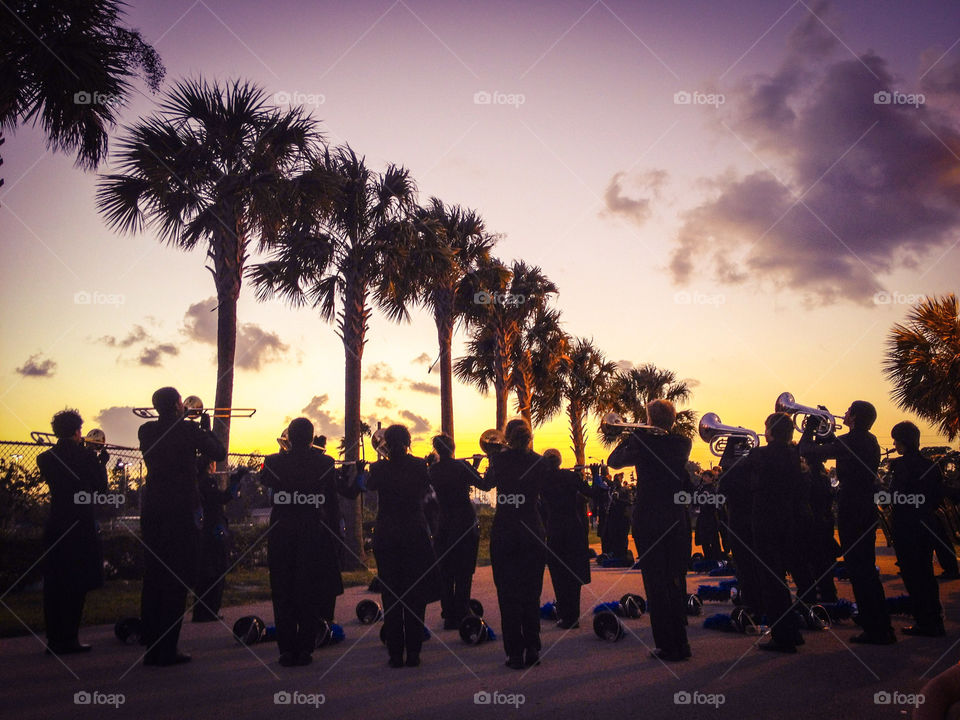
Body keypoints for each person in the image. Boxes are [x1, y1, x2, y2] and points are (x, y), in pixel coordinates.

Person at [138, 387, 226, 666]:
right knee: (177, 579)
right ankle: (167, 649)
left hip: (153, 510)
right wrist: (205, 427)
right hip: (181, 512)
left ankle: (152, 646)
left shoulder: (146, 431)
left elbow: (186, 461)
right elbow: (219, 451)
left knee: (154, 578)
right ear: (177, 406)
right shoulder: (188, 431)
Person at [799, 400, 895, 645]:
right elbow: (831, 446)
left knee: (858, 567)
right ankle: (877, 621)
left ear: (854, 417)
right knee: (864, 566)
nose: (844, 413)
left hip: (852, 505)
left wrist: (811, 426)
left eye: (848, 411)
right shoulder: (867, 439)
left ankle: (876, 629)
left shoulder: (852, 441)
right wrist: (823, 424)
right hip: (863, 504)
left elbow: (808, 450)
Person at [608, 400, 692, 662]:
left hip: (650, 521)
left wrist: (633, 435)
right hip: (676, 520)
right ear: (673, 420)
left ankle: (668, 646)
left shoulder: (643, 443)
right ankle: (682, 643)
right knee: (675, 581)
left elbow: (613, 462)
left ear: (649, 419)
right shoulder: (682, 444)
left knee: (656, 584)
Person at [260, 417, 345, 666]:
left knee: (282, 589)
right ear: (311, 437)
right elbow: (331, 501)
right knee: (309, 589)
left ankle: (286, 649)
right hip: (313, 530)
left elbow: (266, 483)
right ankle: (306, 647)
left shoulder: (273, 461)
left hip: (282, 529)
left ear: (289, 436)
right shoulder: (325, 462)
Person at [475, 418, 549, 669]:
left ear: (507, 436)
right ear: (529, 437)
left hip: (506, 529)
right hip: (532, 529)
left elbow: (486, 485)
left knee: (508, 593)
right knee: (531, 592)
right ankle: (533, 648)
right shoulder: (540, 462)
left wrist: (491, 459)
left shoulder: (499, 460)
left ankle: (514, 653)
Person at [365, 424, 440, 668]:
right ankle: (414, 653)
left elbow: (368, 485)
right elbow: (429, 490)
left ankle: (395, 654)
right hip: (414, 533)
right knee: (415, 594)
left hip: (387, 534)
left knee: (391, 594)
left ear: (386, 441)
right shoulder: (420, 466)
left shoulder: (378, 468)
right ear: (408, 441)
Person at [37, 409, 109, 655]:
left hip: (56, 522)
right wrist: (101, 463)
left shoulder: (45, 458)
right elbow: (101, 489)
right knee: (77, 583)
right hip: (80, 523)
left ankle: (54, 639)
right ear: (78, 430)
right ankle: (69, 638)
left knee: (55, 583)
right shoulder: (86, 456)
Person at [745, 413, 805, 653]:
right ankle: (791, 630)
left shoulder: (762, 454)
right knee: (780, 576)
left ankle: (783, 636)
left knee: (771, 580)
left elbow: (739, 473)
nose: (764, 430)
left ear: (771, 430)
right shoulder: (793, 453)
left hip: (766, 521)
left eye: (766, 426)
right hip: (786, 520)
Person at [887, 421, 945, 637]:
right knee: (927, 573)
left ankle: (924, 621)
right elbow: (938, 497)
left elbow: (894, 497)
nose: (894, 443)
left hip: (906, 525)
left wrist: (880, 489)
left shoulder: (901, 466)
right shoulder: (931, 465)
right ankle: (935, 618)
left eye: (896, 439)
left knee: (913, 575)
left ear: (902, 441)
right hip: (927, 523)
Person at [427, 434, 482, 630]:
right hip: (465, 523)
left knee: (447, 571)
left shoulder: (432, 470)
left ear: (437, 450)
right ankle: (462, 609)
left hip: (444, 523)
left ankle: (449, 614)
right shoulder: (462, 466)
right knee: (464, 571)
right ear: (453, 446)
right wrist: (479, 464)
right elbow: (483, 484)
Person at [541, 449, 591, 629]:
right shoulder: (570, 476)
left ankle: (564, 614)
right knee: (573, 572)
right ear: (560, 461)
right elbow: (591, 493)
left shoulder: (542, 480)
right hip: (574, 528)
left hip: (555, 529)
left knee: (558, 573)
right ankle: (574, 615)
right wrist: (591, 475)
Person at [192, 460, 242, 622]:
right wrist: (236, 480)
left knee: (205, 571)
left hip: (202, 530)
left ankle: (201, 610)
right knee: (217, 569)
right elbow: (224, 498)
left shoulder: (196, 482)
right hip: (214, 530)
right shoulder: (208, 482)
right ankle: (210, 609)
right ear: (210, 465)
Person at [694, 469, 723, 563]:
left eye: (707, 476)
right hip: (703, 516)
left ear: (711, 478)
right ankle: (707, 558)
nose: (704, 478)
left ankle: (717, 558)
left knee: (713, 538)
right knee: (703, 539)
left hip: (711, 516)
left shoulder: (713, 488)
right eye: (704, 476)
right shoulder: (701, 488)